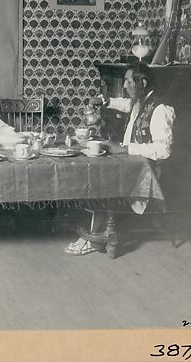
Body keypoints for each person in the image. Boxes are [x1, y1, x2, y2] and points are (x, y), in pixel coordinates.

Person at [65, 62, 176, 255]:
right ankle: (94, 232)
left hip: (146, 172)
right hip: (131, 164)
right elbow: (126, 105)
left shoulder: (160, 109)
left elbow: (163, 149)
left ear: (142, 82)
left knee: (103, 179)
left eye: (127, 81)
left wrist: (124, 149)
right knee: (96, 170)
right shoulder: (141, 100)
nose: (124, 86)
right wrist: (105, 101)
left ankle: (93, 238)